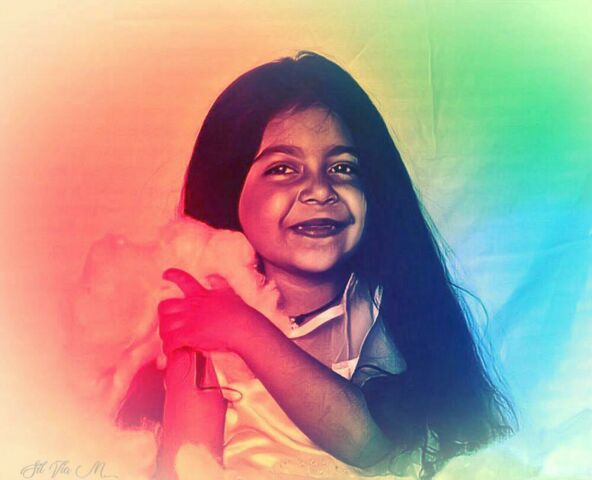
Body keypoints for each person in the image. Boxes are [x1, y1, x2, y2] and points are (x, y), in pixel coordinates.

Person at [152, 51, 516, 479]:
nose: (320, 190)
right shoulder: (207, 329)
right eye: (283, 168)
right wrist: (225, 326)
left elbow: (366, 444)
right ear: (229, 190)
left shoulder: (380, 309)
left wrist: (246, 331)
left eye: (342, 167)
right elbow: (182, 467)